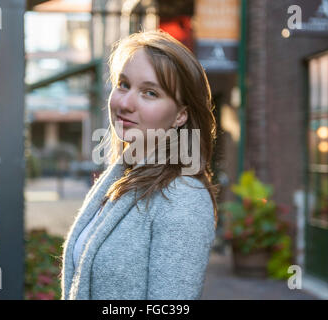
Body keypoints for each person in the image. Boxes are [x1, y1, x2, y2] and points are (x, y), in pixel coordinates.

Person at [60, 30, 219, 300]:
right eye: (123, 84)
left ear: (180, 115)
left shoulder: (183, 196)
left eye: (149, 93)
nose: (124, 103)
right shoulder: (120, 176)